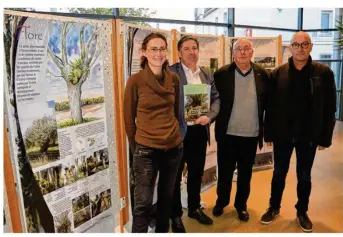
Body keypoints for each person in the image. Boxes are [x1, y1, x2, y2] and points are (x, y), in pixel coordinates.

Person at [261, 31, 336, 233]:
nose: (300, 48)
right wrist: (268, 134)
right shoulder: (278, 73)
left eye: (304, 44)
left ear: (311, 47)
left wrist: (325, 137)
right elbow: (270, 106)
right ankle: (274, 207)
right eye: (296, 44)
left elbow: (330, 108)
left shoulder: (324, 73)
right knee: (278, 173)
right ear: (290, 47)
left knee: (304, 176)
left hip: (308, 135)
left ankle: (302, 211)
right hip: (283, 134)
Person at [124, 32, 183, 233]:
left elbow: (176, 113)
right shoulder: (135, 81)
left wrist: (177, 139)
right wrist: (138, 149)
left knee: (166, 200)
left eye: (161, 49)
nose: (158, 53)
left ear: (166, 51)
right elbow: (129, 122)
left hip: (173, 149)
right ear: (144, 52)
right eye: (153, 49)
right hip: (146, 151)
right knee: (142, 205)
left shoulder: (174, 79)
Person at [212, 38, 269, 222]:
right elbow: (213, 100)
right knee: (225, 173)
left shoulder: (262, 74)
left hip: (250, 135)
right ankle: (221, 201)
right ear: (233, 53)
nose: (243, 52)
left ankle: (241, 205)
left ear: (252, 52)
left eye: (246, 49)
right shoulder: (221, 74)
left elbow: (269, 104)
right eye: (239, 49)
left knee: (245, 175)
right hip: (228, 134)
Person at [169, 35, 220, 232]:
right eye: (187, 48)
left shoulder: (206, 73)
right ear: (179, 52)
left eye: (195, 48)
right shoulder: (170, 72)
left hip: (199, 130)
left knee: (196, 172)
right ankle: (175, 215)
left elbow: (216, 99)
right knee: (174, 176)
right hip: (177, 133)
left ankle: (193, 208)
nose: (192, 52)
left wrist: (209, 116)